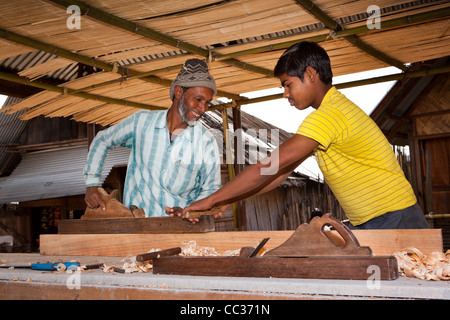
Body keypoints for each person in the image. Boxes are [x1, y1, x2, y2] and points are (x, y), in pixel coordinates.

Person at [182, 42, 429, 230]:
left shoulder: (329, 116)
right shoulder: (332, 112)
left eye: (288, 84)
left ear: (310, 74)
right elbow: (278, 175)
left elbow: (266, 167)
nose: (285, 94)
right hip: (383, 218)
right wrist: (230, 198)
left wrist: (212, 198)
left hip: (395, 218)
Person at [84, 58, 223, 217]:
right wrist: (92, 184)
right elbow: (102, 140)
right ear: (178, 92)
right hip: (137, 228)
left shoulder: (206, 142)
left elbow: (211, 189)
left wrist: (190, 210)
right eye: (198, 99)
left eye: (207, 103)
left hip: (179, 230)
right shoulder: (141, 122)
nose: (203, 108)